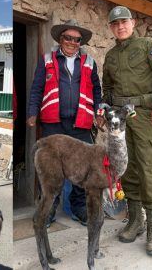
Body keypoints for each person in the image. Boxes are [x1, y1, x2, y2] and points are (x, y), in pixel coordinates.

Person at [101, 6, 152, 257]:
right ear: (111, 27)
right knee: (127, 167)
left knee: (147, 167)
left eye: (124, 22)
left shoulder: (147, 45)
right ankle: (135, 222)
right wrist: (106, 111)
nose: (120, 26)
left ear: (132, 23)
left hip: (143, 114)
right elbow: (107, 88)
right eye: (115, 23)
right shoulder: (110, 56)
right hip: (119, 118)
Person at [27, 19, 102, 226]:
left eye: (77, 39)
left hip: (81, 123)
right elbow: (36, 88)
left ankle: (78, 208)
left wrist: (99, 111)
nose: (72, 42)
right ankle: (49, 208)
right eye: (68, 38)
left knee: (82, 168)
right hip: (53, 123)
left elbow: (97, 90)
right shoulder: (47, 60)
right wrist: (32, 112)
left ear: (80, 42)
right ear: (61, 39)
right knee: (51, 168)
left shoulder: (89, 62)